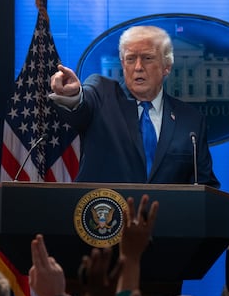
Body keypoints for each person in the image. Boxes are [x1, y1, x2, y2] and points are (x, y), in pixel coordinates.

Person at [49, 25, 218, 187]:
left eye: (147, 58)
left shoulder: (191, 120)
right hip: (108, 213)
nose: (138, 67)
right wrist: (72, 95)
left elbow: (204, 186)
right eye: (130, 59)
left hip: (167, 215)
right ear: (123, 64)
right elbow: (81, 107)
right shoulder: (101, 93)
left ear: (167, 66)